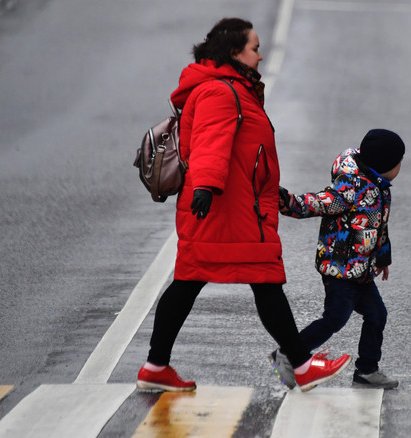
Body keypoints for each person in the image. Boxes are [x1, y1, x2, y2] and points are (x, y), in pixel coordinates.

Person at [136, 17, 350, 393]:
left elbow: (241, 151)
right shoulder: (220, 91)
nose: (261, 54)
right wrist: (204, 185)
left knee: (192, 281)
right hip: (229, 209)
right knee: (263, 282)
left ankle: (156, 367)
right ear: (234, 52)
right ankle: (300, 367)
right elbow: (210, 141)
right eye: (254, 48)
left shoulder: (231, 87)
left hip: (233, 204)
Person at [272, 129, 405, 390]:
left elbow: (379, 226)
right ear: (386, 164)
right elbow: (319, 203)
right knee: (335, 319)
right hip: (340, 269)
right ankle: (289, 354)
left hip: (362, 270)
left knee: (377, 315)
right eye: (399, 161)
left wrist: (382, 257)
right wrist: (288, 202)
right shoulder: (351, 188)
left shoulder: (379, 186)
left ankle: (367, 371)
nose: (401, 166)